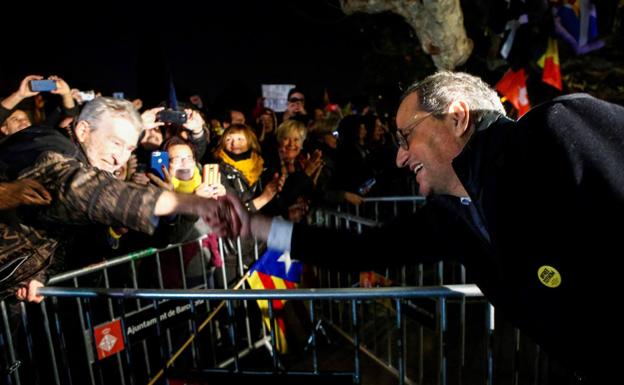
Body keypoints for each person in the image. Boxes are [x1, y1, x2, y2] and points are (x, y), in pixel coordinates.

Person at [218, 71, 624, 384]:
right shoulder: (450, 217)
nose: (398, 157)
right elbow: (364, 250)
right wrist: (255, 225)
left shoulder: (557, 129)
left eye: (405, 136)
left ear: (457, 117)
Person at [0, 97, 237, 302]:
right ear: (83, 130)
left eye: (128, 148)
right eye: (115, 143)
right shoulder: (45, 144)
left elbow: (54, 234)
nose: (119, 159)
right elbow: (73, 187)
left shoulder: (91, 159)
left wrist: (38, 273)